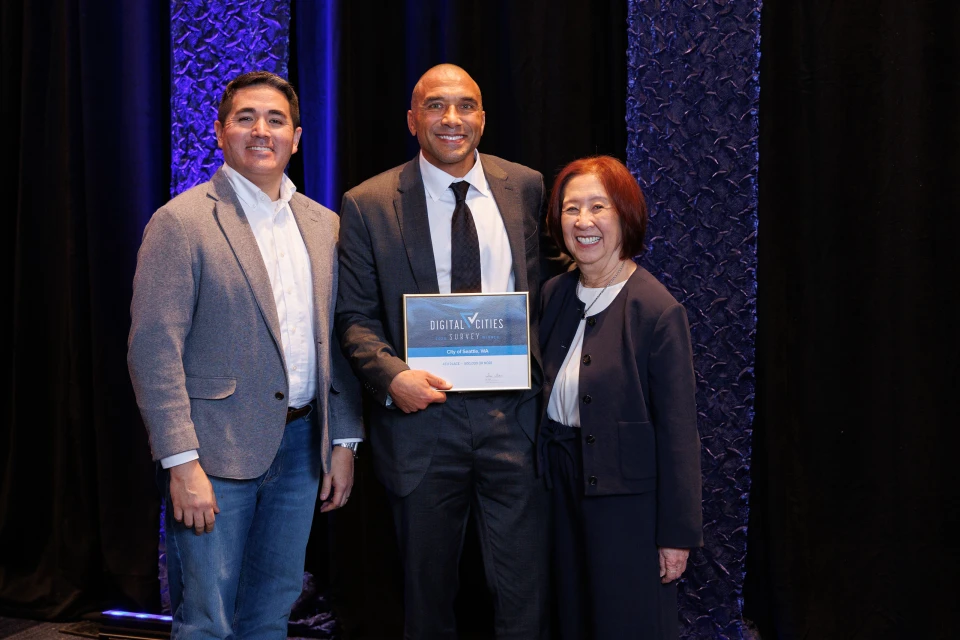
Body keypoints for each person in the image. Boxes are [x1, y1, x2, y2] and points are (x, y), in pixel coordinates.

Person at [127, 71, 362, 639]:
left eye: (276, 120)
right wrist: (180, 464)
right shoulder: (180, 223)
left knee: (270, 615)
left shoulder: (325, 225)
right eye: (246, 118)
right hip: (212, 455)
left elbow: (339, 339)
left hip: (303, 451)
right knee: (207, 620)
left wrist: (344, 440)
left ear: (297, 137)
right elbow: (153, 349)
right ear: (220, 132)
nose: (262, 131)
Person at [335, 64, 553, 639]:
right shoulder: (369, 203)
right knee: (426, 601)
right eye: (435, 106)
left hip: (516, 420)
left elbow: (548, 290)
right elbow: (354, 316)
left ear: (482, 117)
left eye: (464, 106)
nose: (450, 119)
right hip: (421, 422)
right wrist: (392, 378)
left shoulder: (526, 187)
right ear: (412, 120)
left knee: (523, 594)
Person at [538, 156, 703, 639]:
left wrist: (676, 535)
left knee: (623, 624)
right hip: (558, 491)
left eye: (598, 207)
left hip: (628, 507)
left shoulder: (657, 309)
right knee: (569, 620)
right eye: (571, 209)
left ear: (624, 216)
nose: (583, 222)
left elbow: (678, 433)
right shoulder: (553, 294)